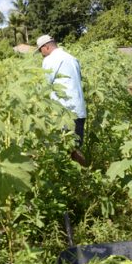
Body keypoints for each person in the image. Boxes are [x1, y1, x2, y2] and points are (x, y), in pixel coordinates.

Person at [36, 34, 87, 166]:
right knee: (75, 147)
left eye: (40, 50)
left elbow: (44, 86)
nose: (41, 54)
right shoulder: (72, 58)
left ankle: (76, 175)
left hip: (63, 112)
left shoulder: (49, 60)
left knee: (65, 149)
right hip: (79, 110)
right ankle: (84, 174)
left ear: (46, 47)